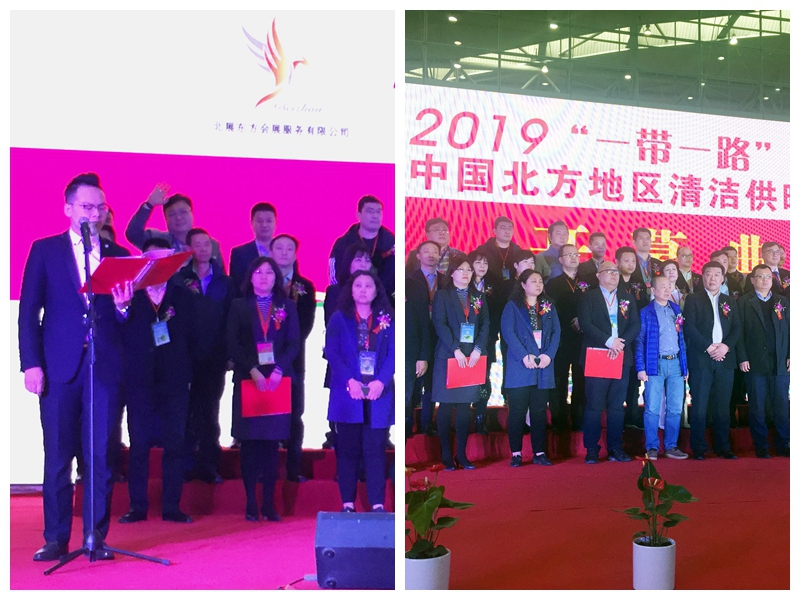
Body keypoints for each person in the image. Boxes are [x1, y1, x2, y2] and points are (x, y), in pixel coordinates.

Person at [19, 173, 132, 561]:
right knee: (57, 455)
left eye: (100, 207)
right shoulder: (45, 250)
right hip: (59, 368)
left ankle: (95, 537)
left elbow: (127, 320)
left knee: (100, 455)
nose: (95, 214)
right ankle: (55, 537)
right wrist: (31, 364)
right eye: (87, 207)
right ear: (68, 209)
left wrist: (123, 306)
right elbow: (29, 313)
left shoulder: (118, 254)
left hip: (103, 366)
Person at [119, 238, 196, 525]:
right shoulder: (130, 293)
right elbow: (120, 332)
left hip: (174, 380)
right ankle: (137, 506)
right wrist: (122, 308)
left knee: (174, 444)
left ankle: (171, 506)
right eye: (150, 260)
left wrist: (187, 373)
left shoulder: (183, 295)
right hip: (139, 379)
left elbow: (194, 338)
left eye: (163, 260)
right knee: (139, 444)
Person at [227, 256, 300, 521]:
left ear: (276, 277)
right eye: (259, 272)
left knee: (271, 444)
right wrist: (252, 369)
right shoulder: (239, 305)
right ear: (251, 277)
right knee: (249, 444)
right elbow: (232, 342)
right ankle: (250, 502)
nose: (264, 277)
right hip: (250, 379)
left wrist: (279, 369)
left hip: (277, 381)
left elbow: (293, 342)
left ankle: (269, 503)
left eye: (269, 272)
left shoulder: (286, 305)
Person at [326, 271, 395, 512]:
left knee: (375, 451)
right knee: (348, 452)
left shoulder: (387, 318)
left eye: (368, 286)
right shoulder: (339, 318)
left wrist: (381, 382)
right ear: (351, 290)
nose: (363, 290)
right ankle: (348, 503)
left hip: (378, 394)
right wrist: (350, 381)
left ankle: (377, 504)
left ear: (376, 291)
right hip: (348, 394)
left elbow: (394, 353)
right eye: (358, 285)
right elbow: (332, 353)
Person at [179, 228, 235, 484]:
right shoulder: (180, 279)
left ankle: (209, 465)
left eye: (206, 244)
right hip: (186, 357)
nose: (203, 249)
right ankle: (184, 465)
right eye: (197, 244)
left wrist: (230, 354)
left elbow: (231, 320)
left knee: (209, 411)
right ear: (188, 249)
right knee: (185, 411)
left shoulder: (225, 282)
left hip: (215, 357)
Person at [577, 261, 640, 464]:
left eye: (616, 272)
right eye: (609, 271)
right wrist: (608, 341)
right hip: (598, 354)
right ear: (598, 275)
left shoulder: (627, 297)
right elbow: (586, 324)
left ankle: (615, 447)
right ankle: (592, 449)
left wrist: (620, 343)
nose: (614, 275)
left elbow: (635, 324)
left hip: (621, 355)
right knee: (594, 405)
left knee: (616, 406)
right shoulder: (589, 297)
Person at [432, 259, 489, 470]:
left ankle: (462, 455)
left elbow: (485, 325)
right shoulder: (442, 295)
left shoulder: (478, 296)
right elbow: (440, 324)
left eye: (468, 269)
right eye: (461, 269)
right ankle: (446, 455)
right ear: (452, 273)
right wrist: (455, 349)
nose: (466, 273)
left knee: (465, 406)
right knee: (446, 406)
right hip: (449, 354)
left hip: (472, 356)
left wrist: (478, 349)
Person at [683, 261, 742, 460]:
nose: (713, 278)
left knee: (723, 405)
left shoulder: (730, 301)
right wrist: (708, 347)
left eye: (717, 274)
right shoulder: (693, 299)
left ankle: (723, 447)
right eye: (708, 274)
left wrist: (726, 346)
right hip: (701, 358)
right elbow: (689, 327)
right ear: (703, 277)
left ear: (723, 278)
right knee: (700, 404)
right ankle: (699, 448)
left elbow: (737, 327)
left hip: (725, 359)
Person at [501, 269, 560, 467]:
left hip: (543, 365)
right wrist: (523, 355)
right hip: (521, 365)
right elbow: (508, 333)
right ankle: (516, 453)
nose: (538, 284)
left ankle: (539, 452)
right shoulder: (512, 306)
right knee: (517, 411)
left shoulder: (548, 305)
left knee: (539, 411)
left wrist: (548, 355)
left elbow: (556, 333)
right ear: (523, 285)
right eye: (533, 281)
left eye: (540, 281)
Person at [270, 234, 316, 482]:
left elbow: (306, 325)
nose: (284, 252)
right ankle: (266, 470)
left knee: (294, 415)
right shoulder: (261, 282)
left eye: (289, 248)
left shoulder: (305, 287)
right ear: (270, 252)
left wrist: (287, 352)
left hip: (294, 361)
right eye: (279, 248)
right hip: (264, 362)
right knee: (266, 415)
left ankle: (293, 468)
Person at [736, 264, 790, 458]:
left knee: (781, 404)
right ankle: (761, 445)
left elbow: (791, 329)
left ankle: (784, 444)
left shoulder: (782, 301)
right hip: (754, 361)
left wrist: (791, 354)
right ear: (752, 280)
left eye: (768, 276)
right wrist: (742, 357)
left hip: (779, 361)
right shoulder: (743, 302)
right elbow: (738, 332)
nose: (765, 280)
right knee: (757, 405)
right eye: (760, 276)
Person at [635, 275, 689, 461]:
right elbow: (640, 341)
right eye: (663, 287)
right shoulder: (646, 312)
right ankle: (651, 447)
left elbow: (682, 339)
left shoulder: (676, 309)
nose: (667, 290)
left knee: (675, 408)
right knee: (652, 408)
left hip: (676, 363)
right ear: (653, 290)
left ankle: (671, 446)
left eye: (669, 286)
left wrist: (684, 366)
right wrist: (641, 367)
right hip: (654, 363)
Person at [323, 243, 373, 446]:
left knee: (369, 406)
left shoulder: (377, 291)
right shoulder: (335, 291)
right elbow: (331, 326)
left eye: (367, 260)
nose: (363, 264)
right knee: (342, 404)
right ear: (348, 263)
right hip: (343, 358)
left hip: (370, 359)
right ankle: (337, 440)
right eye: (358, 259)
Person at [125, 183, 225, 269]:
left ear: (192, 214)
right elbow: (133, 234)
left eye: (183, 212)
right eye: (172, 214)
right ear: (166, 219)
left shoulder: (211, 244)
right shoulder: (157, 240)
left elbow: (221, 276)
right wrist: (149, 205)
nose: (179, 217)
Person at [545, 243, 588, 431]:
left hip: (582, 339)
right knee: (559, 381)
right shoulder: (553, 284)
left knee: (581, 381)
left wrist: (582, 321)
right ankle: (559, 420)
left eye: (576, 254)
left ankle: (579, 419)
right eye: (569, 255)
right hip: (561, 339)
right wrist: (568, 322)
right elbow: (549, 311)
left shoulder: (588, 282)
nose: (573, 258)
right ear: (560, 259)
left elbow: (594, 306)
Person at [408, 241, 445, 436]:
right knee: (414, 383)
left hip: (439, 337)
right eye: (426, 251)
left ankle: (427, 423)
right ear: (418, 256)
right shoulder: (409, 280)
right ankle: (408, 423)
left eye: (435, 251)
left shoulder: (446, 280)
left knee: (432, 382)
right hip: (416, 337)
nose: (431, 254)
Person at [329, 195, 394, 300]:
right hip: (347, 300)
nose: (375, 216)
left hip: (384, 301)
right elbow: (334, 277)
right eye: (370, 211)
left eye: (378, 212)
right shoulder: (343, 244)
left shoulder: (392, 243)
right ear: (358, 215)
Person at [469, 249, 500, 435]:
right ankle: (464, 415)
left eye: (485, 263)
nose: (482, 266)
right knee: (465, 377)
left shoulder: (493, 284)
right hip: (464, 341)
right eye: (478, 262)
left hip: (486, 338)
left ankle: (480, 414)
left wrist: (489, 334)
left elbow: (497, 312)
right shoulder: (462, 283)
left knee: (483, 376)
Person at [617, 245, 647, 430]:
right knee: (616, 380)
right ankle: (616, 417)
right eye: (626, 260)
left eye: (633, 261)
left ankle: (633, 416)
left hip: (636, 336)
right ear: (617, 262)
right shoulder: (613, 282)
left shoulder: (639, 283)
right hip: (617, 338)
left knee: (634, 379)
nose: (630, 264)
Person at [229, 202, 278, 296]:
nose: (264, 225)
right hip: (249, 303)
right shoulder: (239, 253)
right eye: (259, 221)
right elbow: (236, 287)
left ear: (276, 223)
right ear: (251, 223)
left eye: (269, 221)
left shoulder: (286, 252)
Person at [477, 216, 522, 281]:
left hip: (512, 286)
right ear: (494, 231)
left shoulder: (518, 251)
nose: (507, 231)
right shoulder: (483, 250)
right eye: (503, 228)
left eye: (510, 228)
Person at [630, 228, 662, 292]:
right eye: (641, 238)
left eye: (647, 238)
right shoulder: (629, 263)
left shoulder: (659, 263)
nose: (645, 241)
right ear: (634, 242)